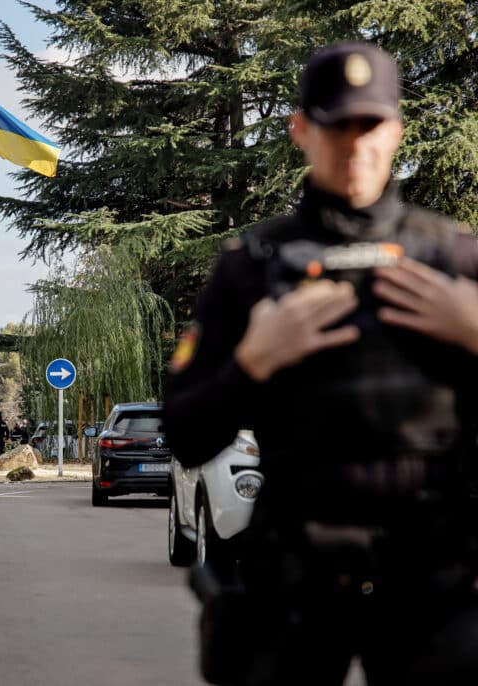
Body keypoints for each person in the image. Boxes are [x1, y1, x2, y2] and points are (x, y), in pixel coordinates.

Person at [163, 41, 478, 686]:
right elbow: (188, 434)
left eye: (371, 126)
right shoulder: (250, 268)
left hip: (434, 572)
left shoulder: (456, 260)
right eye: (338, 126)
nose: (355, 146)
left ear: (396, 130)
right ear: (301, 130)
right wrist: (253, 360)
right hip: (296, 573)